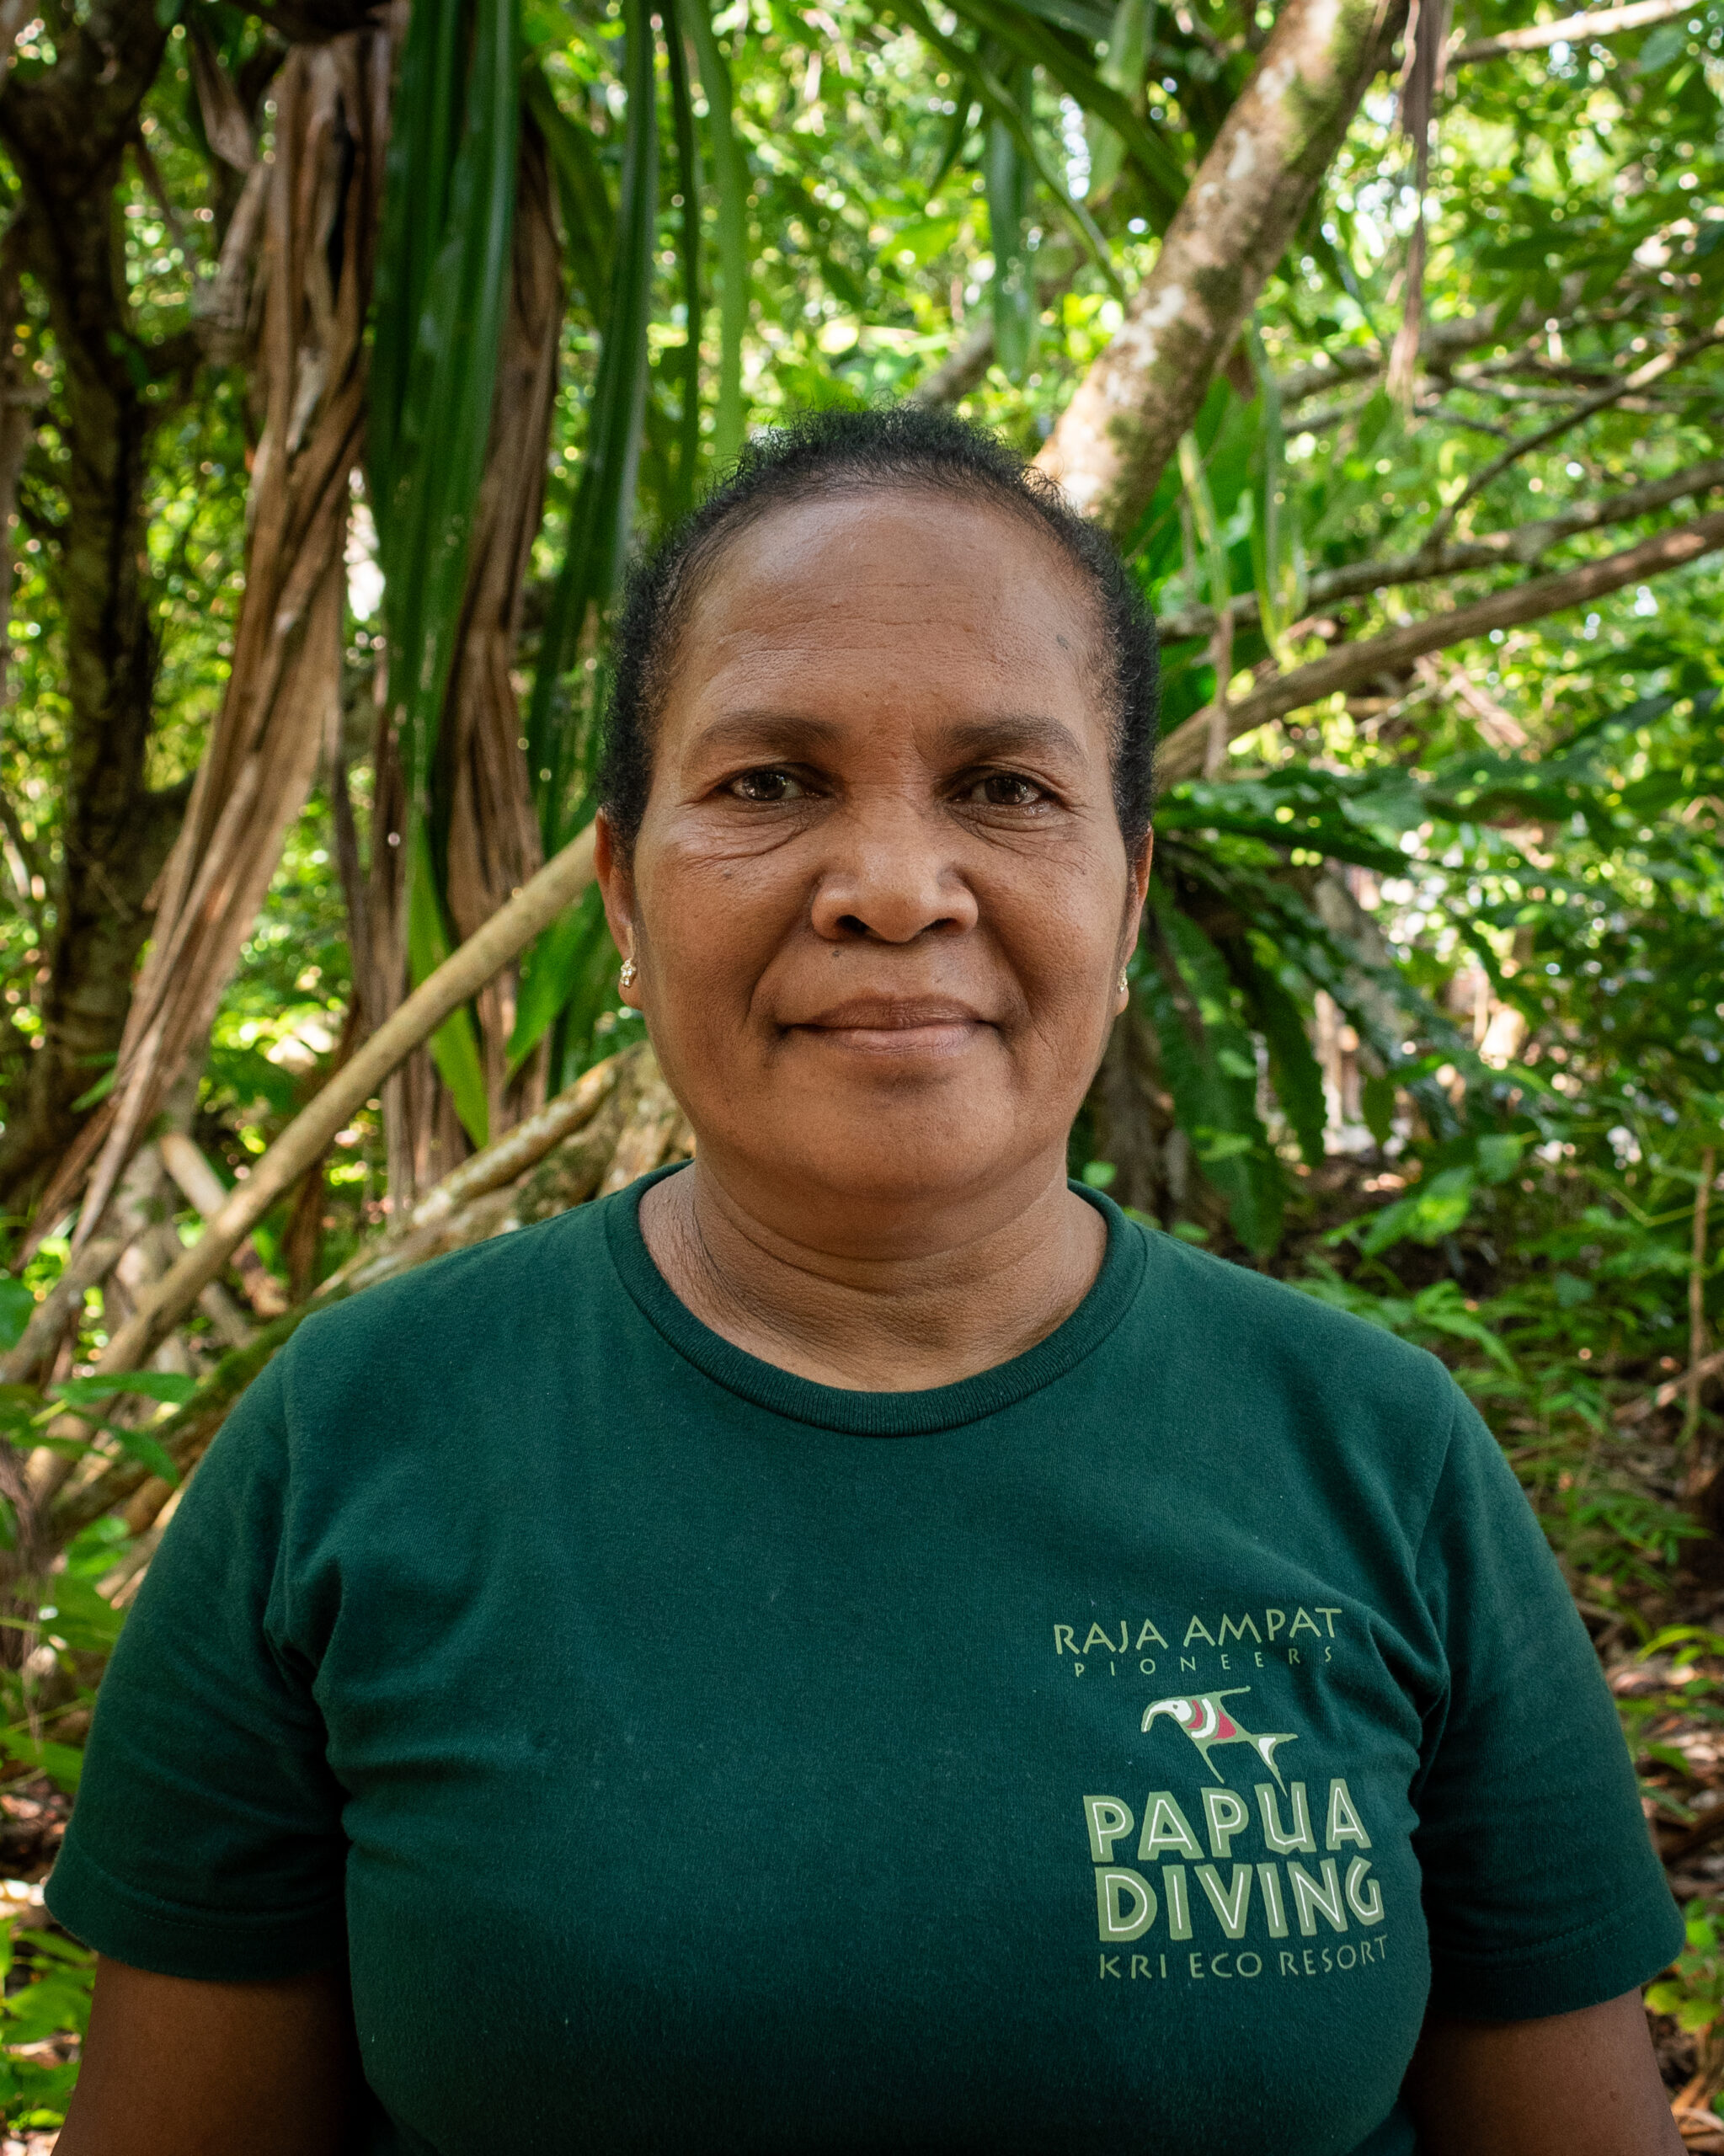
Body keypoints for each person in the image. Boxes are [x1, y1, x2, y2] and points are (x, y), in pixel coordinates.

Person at [49, 407, 1681, 2156]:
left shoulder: (1376, 1449)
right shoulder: (361, 1434)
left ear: (1123, 897)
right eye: (768, 783)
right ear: (621, 892)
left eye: (1005, 787)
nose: (896, 888)